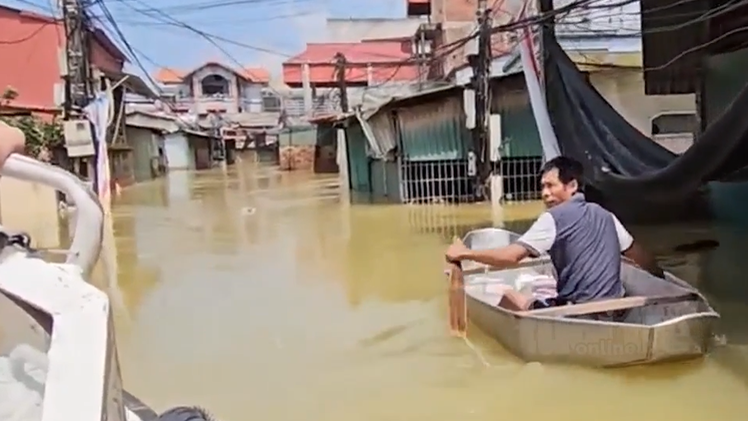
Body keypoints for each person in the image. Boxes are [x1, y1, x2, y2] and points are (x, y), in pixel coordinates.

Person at [445, 156, 663, 312]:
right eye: (542, 187)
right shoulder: (606, 215)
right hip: (617, 308)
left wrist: (465, 254)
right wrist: (661, 279)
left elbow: (511, 257)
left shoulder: (553, 218)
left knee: (509, 296)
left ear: (572, 186)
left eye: (551, 186)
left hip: (578, 313)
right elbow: (640, 256)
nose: (545, 194)